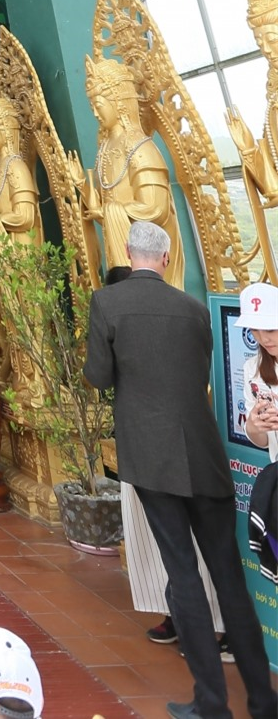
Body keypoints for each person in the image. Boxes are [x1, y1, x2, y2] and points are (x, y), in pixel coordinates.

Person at [84, 219, 277, 719]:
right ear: (166, 259)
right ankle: (262, 698)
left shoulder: (108, 303)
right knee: (229, 575)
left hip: (153, 459)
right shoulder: (194, 310)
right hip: (205, 453)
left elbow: (99, 378)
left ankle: (212, 703)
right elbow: (197, 373)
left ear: (129, 253)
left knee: (183, 574)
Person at [103, 265, 230, 659]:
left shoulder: (184, 315)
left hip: (181, 452)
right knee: (164, 549)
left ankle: (206, 627)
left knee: (183, 548)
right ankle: (177, 614)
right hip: (144, 454)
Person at [239, 281, 278, 462]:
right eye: (254, 329)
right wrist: (254, 426)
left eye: (270, 329)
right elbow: (264, 442)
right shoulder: (252, 369)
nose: (263, 338)